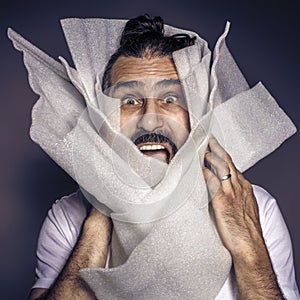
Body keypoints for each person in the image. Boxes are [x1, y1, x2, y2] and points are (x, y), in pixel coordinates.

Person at [10, 15, 299, 299]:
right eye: (130, 101)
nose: (150, 121)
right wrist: (99, 218)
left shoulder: (255, 209)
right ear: (103, 118)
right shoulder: (69, 217)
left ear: (196, 116)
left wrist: (249, 249)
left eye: (171, 100)